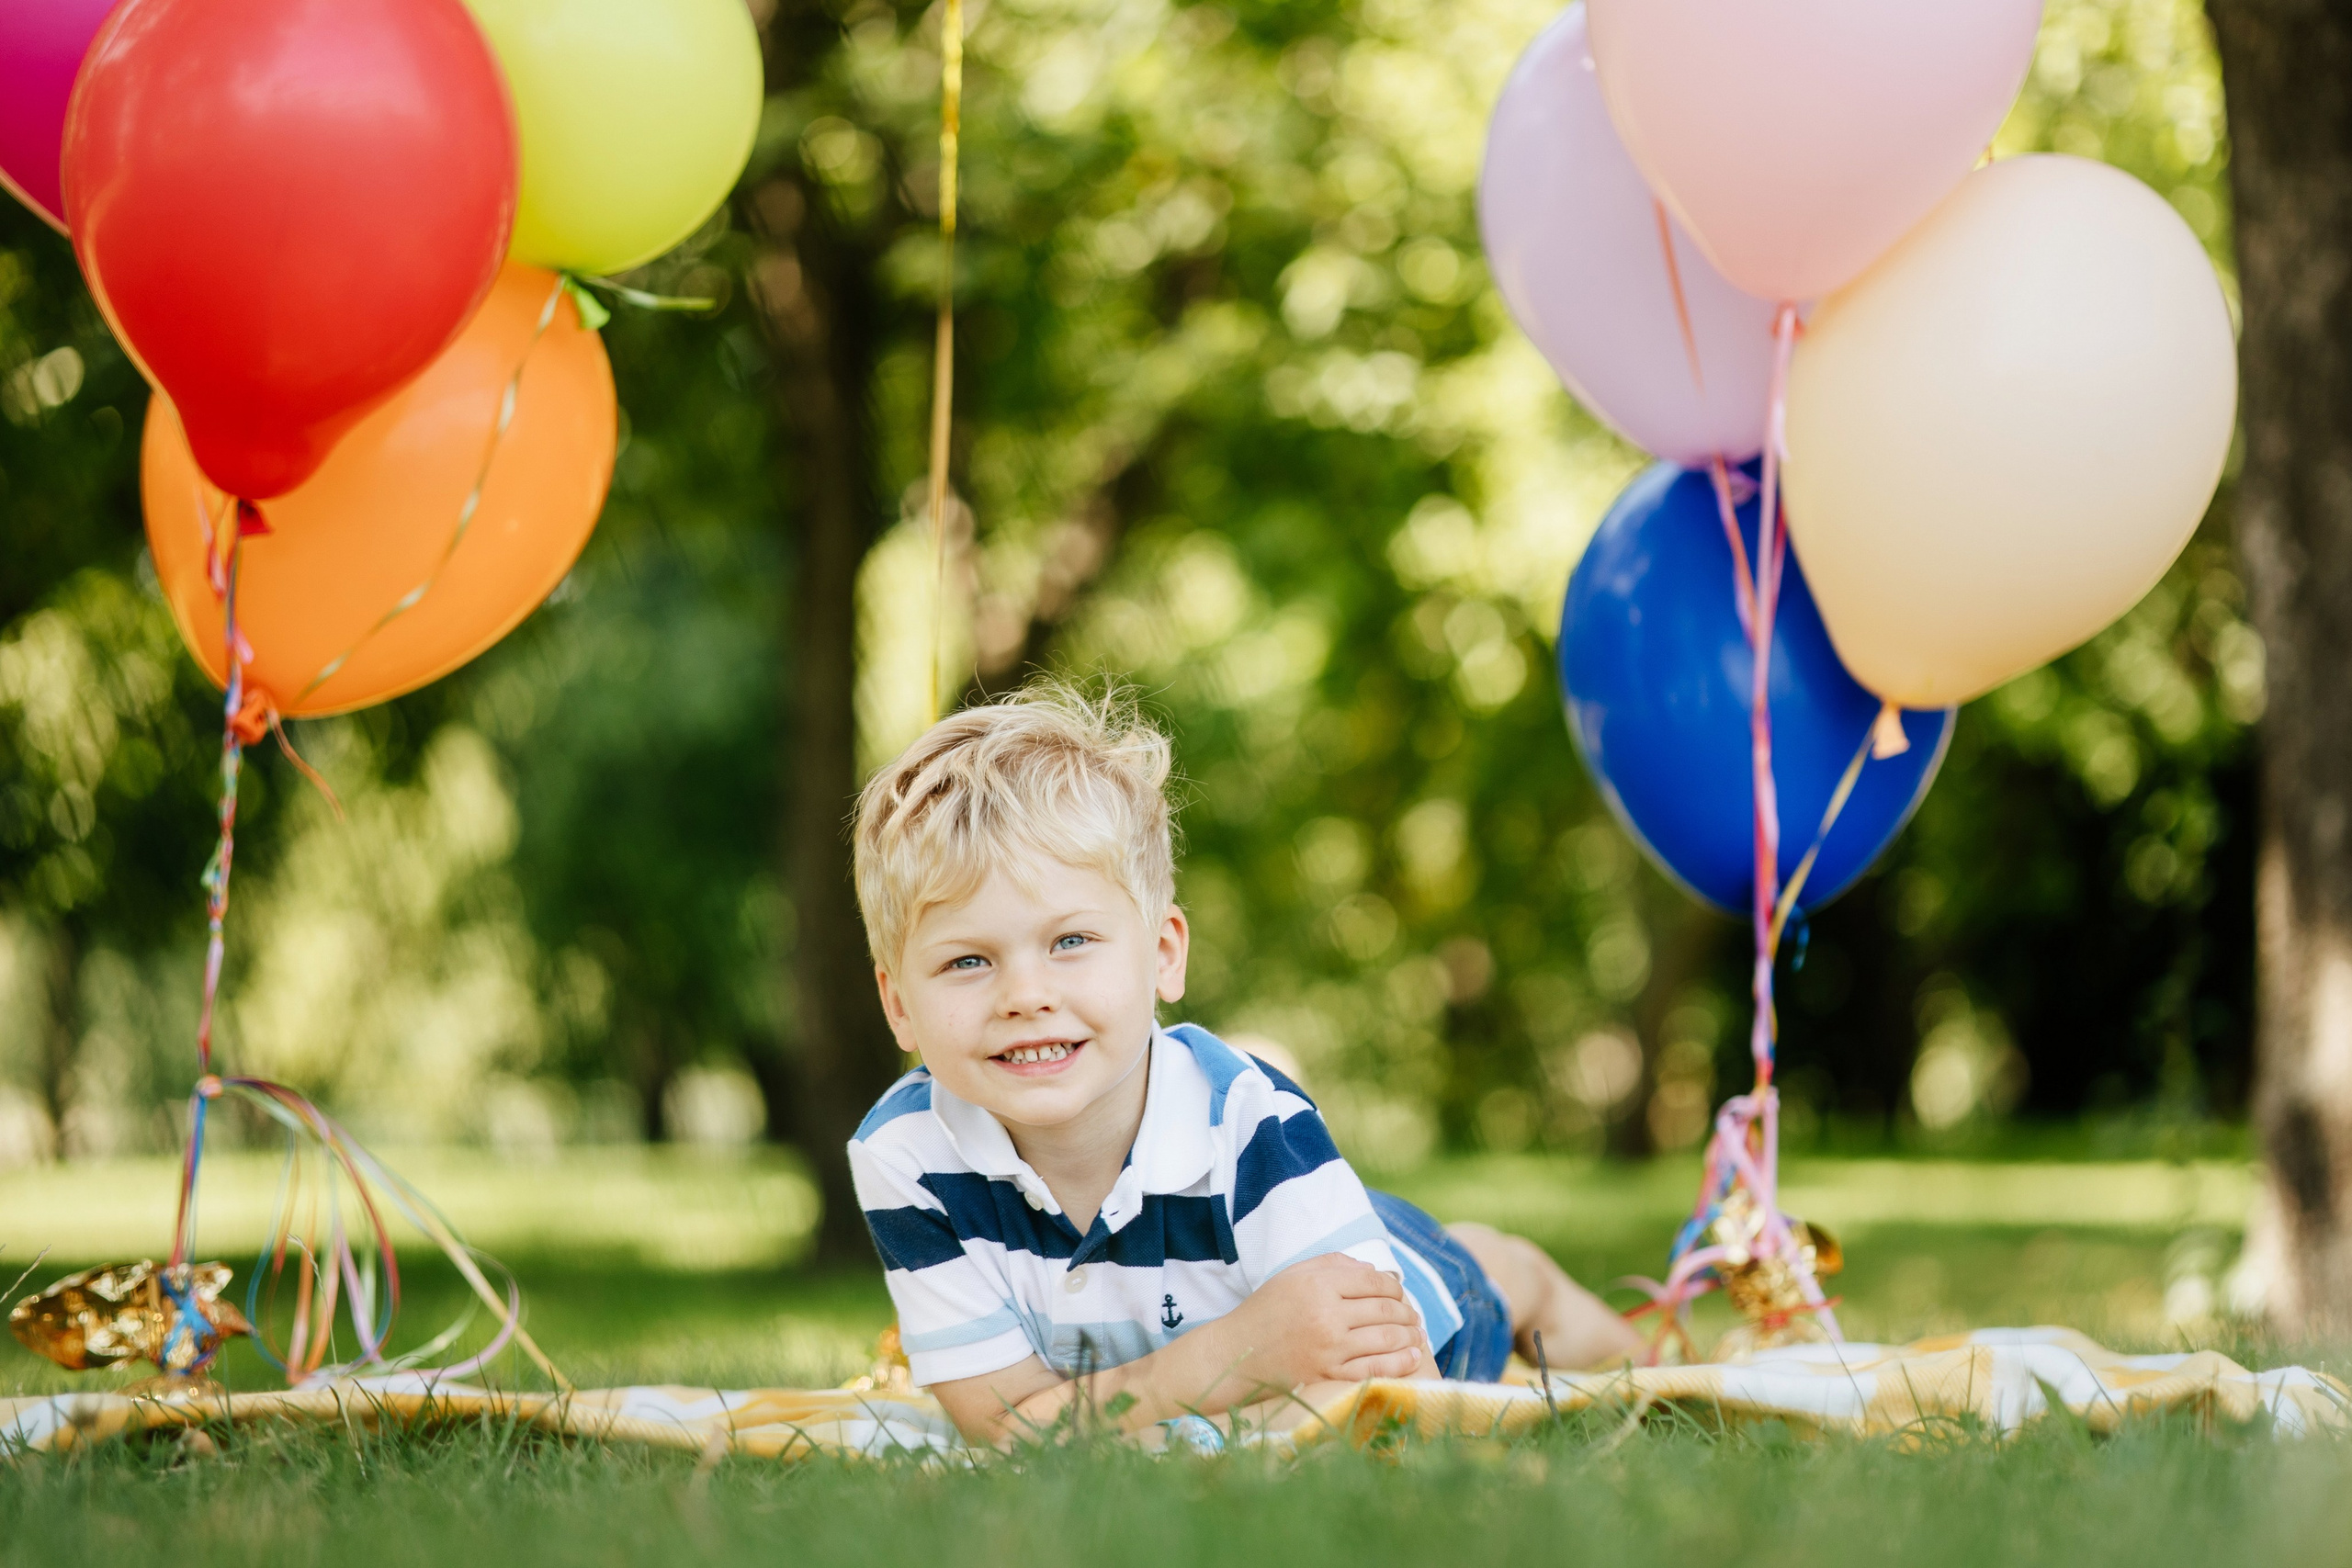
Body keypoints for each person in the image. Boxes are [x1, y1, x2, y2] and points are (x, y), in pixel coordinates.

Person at [847, 682, 1643, 1449]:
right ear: (897, 1005)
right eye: (966, 961)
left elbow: (1392, 1395)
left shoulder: (1247, 1118)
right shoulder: (906, 1158)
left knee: (1485, 1276)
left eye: (1070, 942)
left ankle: (1554, 1294)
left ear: (1162, 955)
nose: (1025, 994)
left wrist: (1172, 1406)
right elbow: (1008, 1427)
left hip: (1376, 1295)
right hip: (1259, 1322)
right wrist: (1227, 1356)